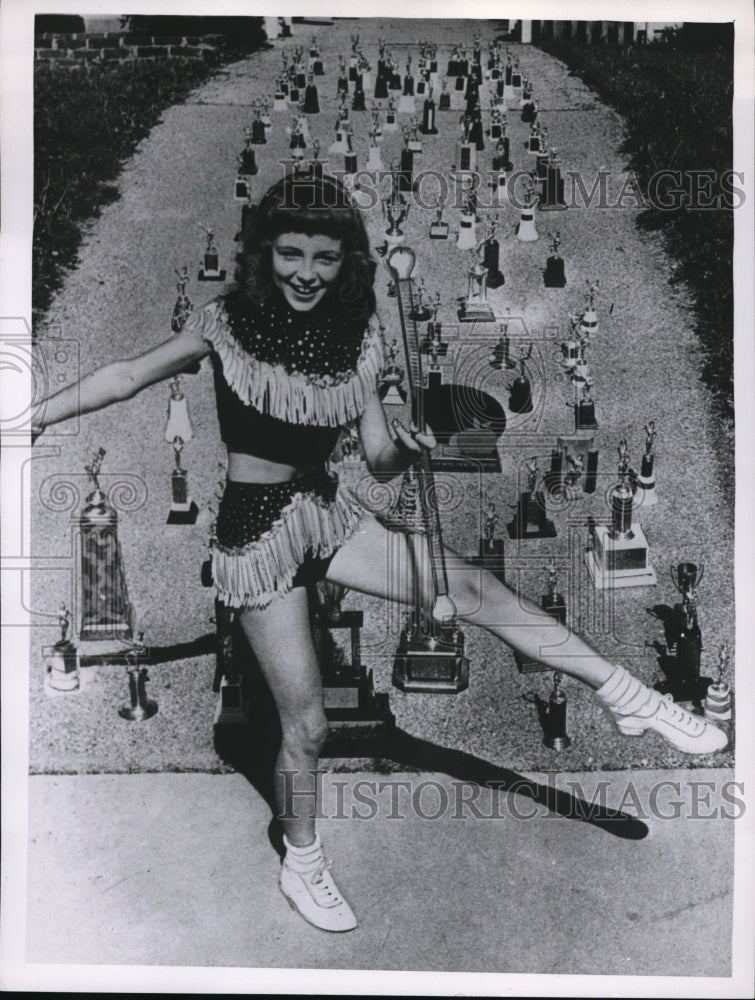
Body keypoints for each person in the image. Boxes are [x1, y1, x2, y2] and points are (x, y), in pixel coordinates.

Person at [32, 174, 727, 935]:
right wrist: (34, 417)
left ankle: (628, 697)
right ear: (265, 254)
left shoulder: (359, 336)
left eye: (322, 257)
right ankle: (302, 861)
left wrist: (405, 445)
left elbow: (378, 460)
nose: (304, 271)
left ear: (346, 261)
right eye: (289, 253)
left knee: (472, 587)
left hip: (325, 510)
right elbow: (128, 375)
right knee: (307, 727)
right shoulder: (222, 323)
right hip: (256, 537)